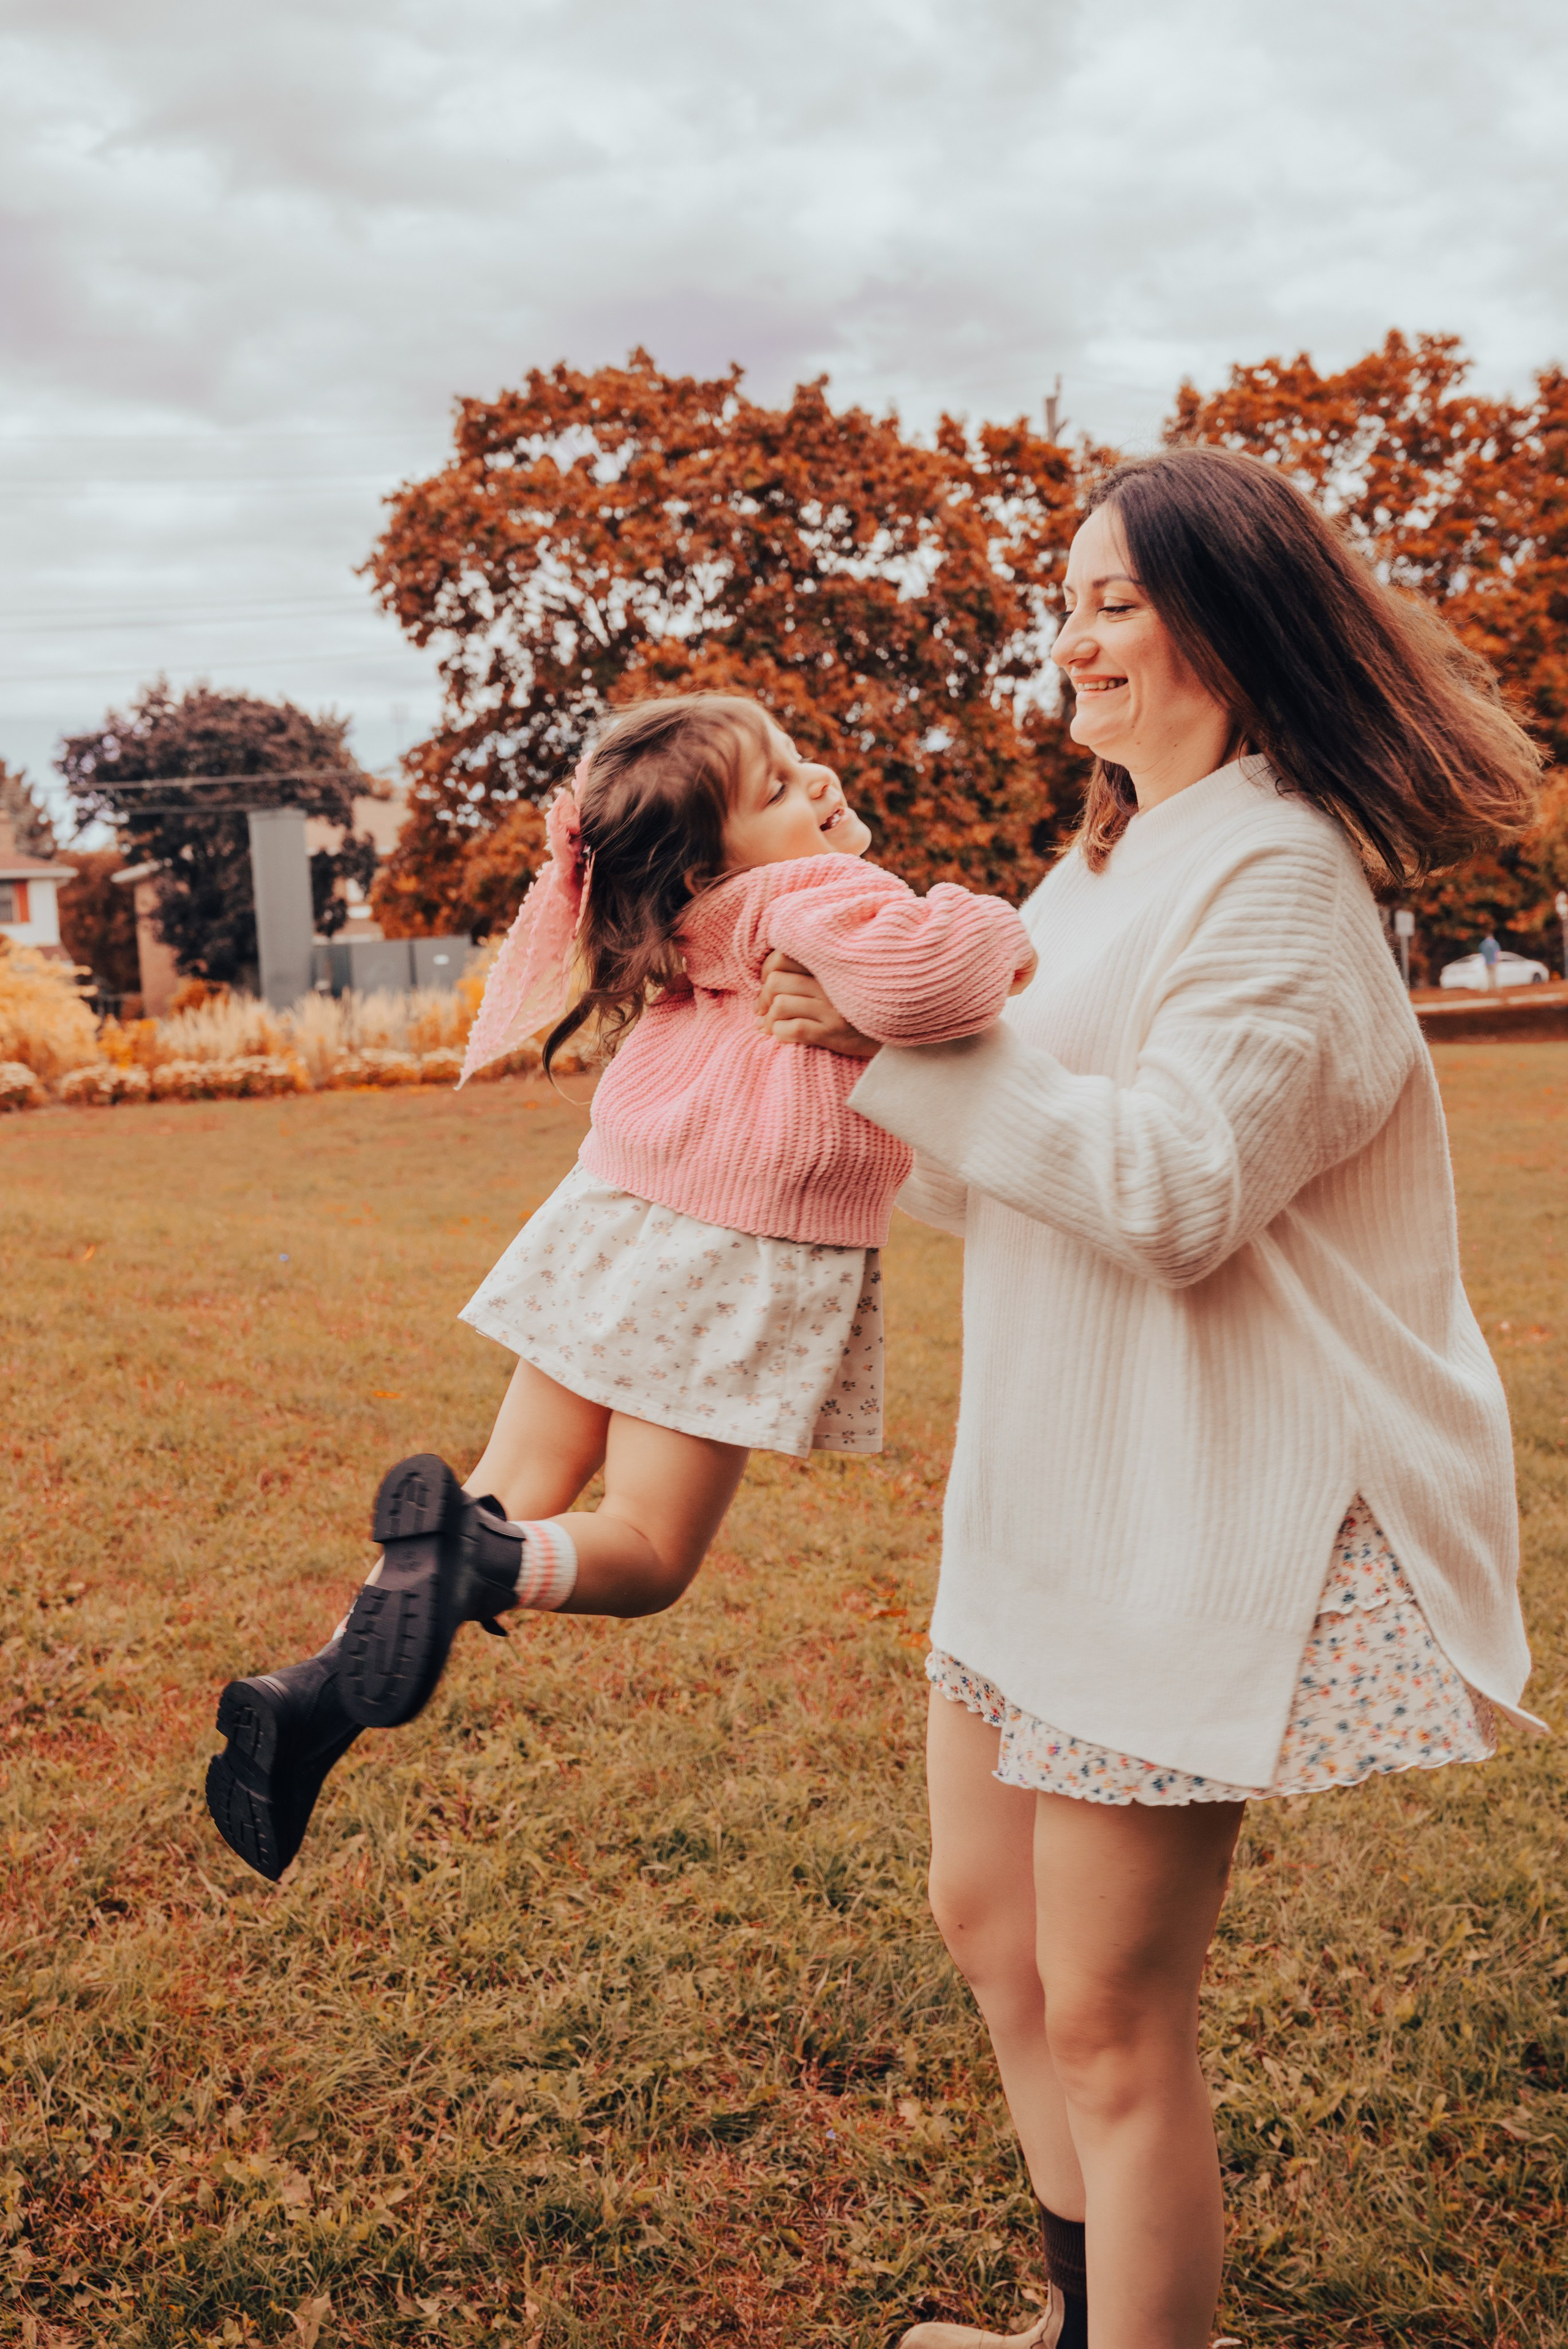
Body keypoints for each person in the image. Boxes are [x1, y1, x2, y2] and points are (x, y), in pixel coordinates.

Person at [756, 445, 1545, 2349]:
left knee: (1113, 2013)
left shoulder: (1282, 880)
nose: (1076, 636)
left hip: (1197, 1505)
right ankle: (1074, 2319)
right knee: (992, 1925)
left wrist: (908, 1062)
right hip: (1050, 1486)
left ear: (1233, 621)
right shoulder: (1102, 860)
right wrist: (840, 1068)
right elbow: (994, 1161)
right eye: (1074, 596)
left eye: (1116, 597)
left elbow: (1178, 1191)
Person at [205, 692, 1034, 1885]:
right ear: (710, 858)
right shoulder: (823, 899)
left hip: (608, 1220)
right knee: (643, 1551)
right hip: (732, 1248)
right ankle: (490, 1566)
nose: (819, 785)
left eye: (801, 760)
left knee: (502, 1485)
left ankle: (312, 1698)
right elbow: (938, 987)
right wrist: (997, 922)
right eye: (779, 788)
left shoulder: (685, 925)